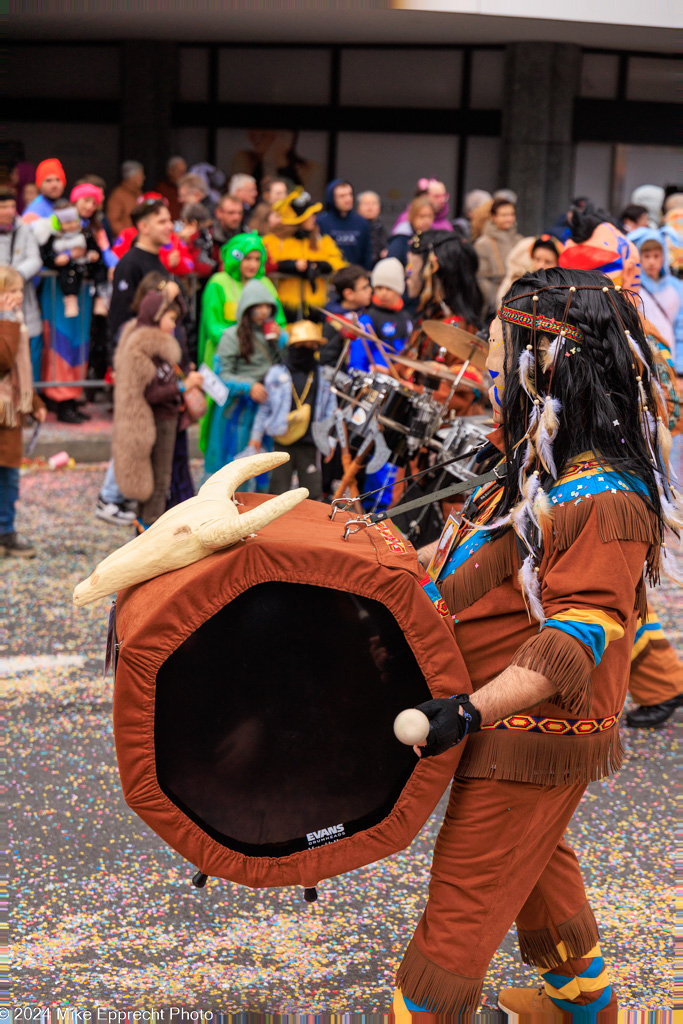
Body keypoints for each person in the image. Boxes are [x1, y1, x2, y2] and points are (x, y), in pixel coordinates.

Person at [389, 266, 675, 1016]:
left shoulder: (604, 492)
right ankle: (585, 1006)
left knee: (462, 907)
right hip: (503, 715)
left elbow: (578, 634)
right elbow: (461, 555)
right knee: (536, 867)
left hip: (527, 725)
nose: (489, 362)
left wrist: (470, 712)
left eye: (502, 344)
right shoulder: (533, 459)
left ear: (548, 362)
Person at [112, 286, 203, 532]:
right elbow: (151, 393)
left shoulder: (160, 348)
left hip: (166, 420)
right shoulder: (145, 350)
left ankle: (144, 529)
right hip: (157, 421)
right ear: (156, 316)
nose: (174, 324)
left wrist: (173, 296)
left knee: (158, 480)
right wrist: (183, 387)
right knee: (159, 482)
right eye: (170, 318)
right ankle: (148, 531)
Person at [197, 232, 285, 455]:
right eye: (247, 258)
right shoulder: (219, 283)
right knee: (218, 416)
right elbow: (212, 324)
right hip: (223, 356)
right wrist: (240, 338)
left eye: (258, 258)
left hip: (259, 364)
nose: (253, 264)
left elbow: (279, 321)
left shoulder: (265, 283)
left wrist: (276, 333)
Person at [205, 279, 284, 480]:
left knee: (265, 470)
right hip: (238, 412)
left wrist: (281, 340)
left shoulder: (273, 334)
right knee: (235, 471)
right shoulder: (232, 336)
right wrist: (248, 386)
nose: (264, 311)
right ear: (247, 308)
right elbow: (222, 374)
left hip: (267, 409)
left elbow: (285, 366)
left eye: (267, 306)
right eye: (258, 305)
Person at [249, 319, 336, 501]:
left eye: (313, 346)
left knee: (312, 492)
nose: (308, 349)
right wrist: (255, 436)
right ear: (293, 346)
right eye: (303, 346)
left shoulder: (323, 375)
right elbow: (265, 408)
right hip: (282, 439)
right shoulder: (277, 373)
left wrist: (330, 440)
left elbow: (330, 411)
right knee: (277, 491)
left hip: (311, 442)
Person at [0, 266, 46, 558]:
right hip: (3, 412)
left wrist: (37, 403)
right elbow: (3, 360)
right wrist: (6, 322)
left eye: (19, 290)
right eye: (10, 291)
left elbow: (21, 373)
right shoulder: (10, 323)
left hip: (10, 413)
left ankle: (5, 531)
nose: (17, 296)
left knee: (9, 477)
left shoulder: (15, 322)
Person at [263, 188, 345, 322]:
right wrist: (290, 265)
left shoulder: (322, 241)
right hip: (284, 310)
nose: (314, 218)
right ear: (297, 220)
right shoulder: (273, 241)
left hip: (315, 309)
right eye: (309, 214)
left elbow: (337, 262)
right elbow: (266, 264)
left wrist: (319, 265)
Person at [108, 198, 173, 358]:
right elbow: (120, 315)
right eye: (162, 222)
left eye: (170, 221)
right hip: (137, 356)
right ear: (143, 227)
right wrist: (115, 360)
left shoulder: (158, 261)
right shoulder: (129, 263)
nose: (170, 227)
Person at [0, 185, 43, 381]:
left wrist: (14, 277)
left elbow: (36, 259)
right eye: (3, 207)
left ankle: (27, 398)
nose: (9, 211)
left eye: (12, 206)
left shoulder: (24, 229)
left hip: (23, 300)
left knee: (27, 352)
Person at [39, 199, 106, 320]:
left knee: (100, 269)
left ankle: (101, 297)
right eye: (67, 223)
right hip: (68, 271)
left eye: (74, 221)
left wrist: (93, 254)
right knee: (69, 272)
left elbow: (96, 248)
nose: (72, 225)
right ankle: (70, 300)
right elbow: (45, 255)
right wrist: (57, 260)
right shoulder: (54, 238)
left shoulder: (85, 234)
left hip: (86, 266)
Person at [406, 229, 483, 331]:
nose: (406, 275)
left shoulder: (455, 330)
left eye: (411, 266)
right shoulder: (430, 317)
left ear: (434, 272)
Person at [349, 258, 412, 372]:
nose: (383, 293)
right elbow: (357, 360)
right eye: (379, 288)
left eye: (388, 288)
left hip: (399, 378)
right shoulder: (367, 318)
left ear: (399, 289)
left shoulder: (406, 318)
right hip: (374, 380)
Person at [628, 230, 679, 351]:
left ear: (664, 257)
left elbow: (680, 325)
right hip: (645, 352)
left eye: (656, 256)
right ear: (639, 257)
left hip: (671, 354)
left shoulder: (676, 286)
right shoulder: (633, 286)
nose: (651, 262)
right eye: (646, 256)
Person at [474, 197, 523, 316]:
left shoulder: (520, 240)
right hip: (493, 305)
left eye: (511, 214)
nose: (509, 219)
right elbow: (480, 279)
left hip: (519, 302)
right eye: (504, 215)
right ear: (493, 217)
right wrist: (496, 301)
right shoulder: (483, 244)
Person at [319, 264, 372, 368]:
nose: (370, 290)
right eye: (364, 288)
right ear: (349, 294)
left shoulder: (367, 314)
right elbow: (328, 362)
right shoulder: (333, 323)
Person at [317, 179, 373, 270]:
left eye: (350, 194)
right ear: (332, 199)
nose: (348, 199)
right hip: (329, 276)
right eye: (342, 196)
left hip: (355, 276)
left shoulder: (361, 222)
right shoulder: (321, 222)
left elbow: (366, 254)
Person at [495, 234, 562, 308]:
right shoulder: (517, 283)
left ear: (557, 263)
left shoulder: (562, 289)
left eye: (548, 262)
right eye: (537, 259)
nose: (541, 266)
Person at [387, 195, 435, 266]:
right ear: (412, 217)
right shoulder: (401, 238)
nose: (426, 221)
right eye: (422, 216)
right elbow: (391, 265)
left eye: (430, 216)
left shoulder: (434, 237)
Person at [106, 161, 145, 239]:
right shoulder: (118, 195)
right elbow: (113, 221)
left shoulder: (138, 193)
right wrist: (129, 236)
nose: (144, 178)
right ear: (132, 178)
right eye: (141, 175)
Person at [22, 158, 66, 225]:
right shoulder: (33, 211)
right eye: (48, 180)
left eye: (58, 180)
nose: (54, 185)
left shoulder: (63, 204)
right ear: (40, 185)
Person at [356, 190, 388, 266]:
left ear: (379, 208)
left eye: (374, 203)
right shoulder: (353, 228)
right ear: (358, 208)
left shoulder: (382, 229)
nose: (370, 207)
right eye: (366, 204)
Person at [156, 156, 187, 221]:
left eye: (184, 172)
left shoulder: (187, 188)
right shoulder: (162, 188)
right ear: (170, 171)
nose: (182, 175)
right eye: (179, 171)